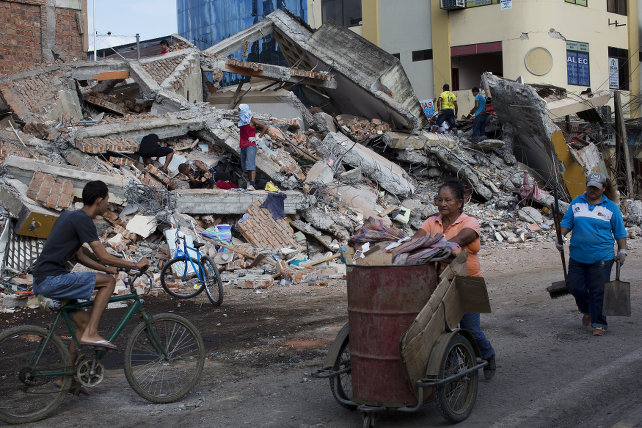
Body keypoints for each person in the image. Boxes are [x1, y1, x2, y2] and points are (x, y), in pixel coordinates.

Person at [32, 181, 150, 352]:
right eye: (107, 200)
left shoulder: (70, 216)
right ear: (99, 200)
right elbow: (104, 256)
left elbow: (78, 256)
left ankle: (67, 379)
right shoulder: (84, 220)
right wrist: (135, 264)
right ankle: (92, 333)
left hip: (41, 282)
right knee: (109, 282)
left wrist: (105, 269)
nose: (108, 204)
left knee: (82, 325)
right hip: (51, 281)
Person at [413, 181, 496, 379]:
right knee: (442, 331)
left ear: (459, 202)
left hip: (469, 281)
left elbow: (458, 241)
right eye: (439, 199)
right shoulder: (432, 222)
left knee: (471, 329)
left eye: (448, 200)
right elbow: (417, 238)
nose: (443, 204)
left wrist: (430, 246)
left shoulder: (470, 222)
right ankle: (453, 372)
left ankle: (487, 355)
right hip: (441, 283)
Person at [558, 172, 627, 336]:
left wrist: (622, 250)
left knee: (598, 290)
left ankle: (599, 322)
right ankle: (587, 309)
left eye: (596, 187)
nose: (592, 190)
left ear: (603, 188)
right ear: (586, 186)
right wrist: (560, 236)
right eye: (590, 186)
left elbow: (620, 232)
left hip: (602, 257)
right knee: (574, 286)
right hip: (577, 256)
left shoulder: (610, 207)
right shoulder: (576, 203)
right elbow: (566, 223)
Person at [237, 104, 268, 190]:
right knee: (244, 166)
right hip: (243, 145)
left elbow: (265, 127)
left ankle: (252, 184)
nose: (238, 111)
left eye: (239, 110)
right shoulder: (242, 121)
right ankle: (249, 182)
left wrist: (258, 137)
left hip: (250, 145)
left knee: (251, 165)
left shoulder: (252, 120)